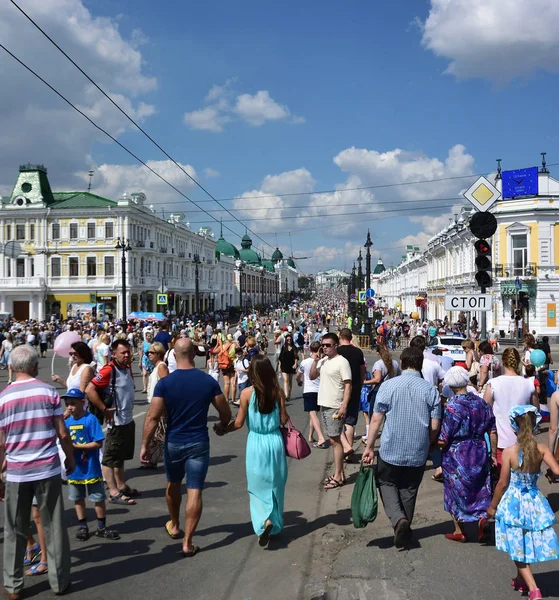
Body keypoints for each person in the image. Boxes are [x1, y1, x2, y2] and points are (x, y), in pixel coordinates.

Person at [140, 338, 231, 557]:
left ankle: (174, 523)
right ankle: (188, 542)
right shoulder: (207, 381)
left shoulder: (165, 383)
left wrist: (145, 445)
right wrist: (222, 426)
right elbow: (225, 412)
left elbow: (152, 417)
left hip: (173, 442)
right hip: (198, 441)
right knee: (195, 489)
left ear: (174, 355)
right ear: (193, 354)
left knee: (173, 483)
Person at [0, 345, 75, 598]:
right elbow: (62, 433)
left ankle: (12, 586)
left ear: (11, 367)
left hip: (17, 472)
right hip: (46, 468)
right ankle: (59, 581)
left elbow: (1, 443)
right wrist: (71, 460)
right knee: (54, 526)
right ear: (34, 367)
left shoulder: (4, 397)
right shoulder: (48, 392)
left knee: (14, 529)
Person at [362, 346, 441, 549]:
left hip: (391, 448)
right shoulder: (431, 390)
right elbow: (434, 426)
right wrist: (430, 443)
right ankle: (404, 525)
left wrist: (369, 446)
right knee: (409, 488)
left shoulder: (388, 387)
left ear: (403, 364)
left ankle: (399, 521)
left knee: (386, 483)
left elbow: (376, 419)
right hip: (418, 450)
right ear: (420, 365)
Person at [217, 355, 289, 547]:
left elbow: (239, 423)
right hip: (275, 441)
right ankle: (274, 522)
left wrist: (225, 429)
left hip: (256, 442)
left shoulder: (247, 394)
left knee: (257, 487)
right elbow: (283, 420)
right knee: (276, 484)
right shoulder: (277, 392)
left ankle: (264, 521)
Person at [488, 405, 559, 599]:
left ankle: (534, 589)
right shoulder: (542, 449)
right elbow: (557, 471)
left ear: (514, 426)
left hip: (514, 503)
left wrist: (492, 506)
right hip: (534, 501)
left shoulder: (511, 451)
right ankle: (521, 580)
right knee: (524, 540)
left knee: (515, 545)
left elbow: (502, 483)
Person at [437, 367, 496, 543]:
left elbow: (444, 438)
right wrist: (491, 453)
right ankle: (482, 518)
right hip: (479, 450)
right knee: (481, 488)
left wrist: (430, 444)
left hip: (457, 454)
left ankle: (459, 530)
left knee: (455, 490)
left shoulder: (452, 407)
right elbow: (492, 430)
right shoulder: (481, 404)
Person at [86, 339, 139, 506]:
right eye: (123, 352)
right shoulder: (109, 370)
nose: (126, 355)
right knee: (109, 458)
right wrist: (103, 409)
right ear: (114, 354)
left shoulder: (126, 367)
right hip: (116, 422)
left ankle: (121, 485)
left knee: (120, 456)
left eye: (128, 352)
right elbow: (89, 389)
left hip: (127, 420)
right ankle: (114, 492)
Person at [63, 388, 120, 541]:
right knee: (78, 498)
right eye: (67, 404)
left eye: (73, 404)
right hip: (75, 469)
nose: (69, 407)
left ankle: (101, 527)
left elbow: (97, 443)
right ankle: (83, 526)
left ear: (83, 402)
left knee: (97, 498)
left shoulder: (91, 419)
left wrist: (76, 447)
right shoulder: (66, 423)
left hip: (90, 467)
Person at [484, 348, 539, 468]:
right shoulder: (529, 384)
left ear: (503, 362)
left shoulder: (493, 384)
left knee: (501, 482)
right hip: (523, 442)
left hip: (500, 442)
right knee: (522, 482)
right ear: (519, 362)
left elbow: (484, 413)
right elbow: (536, 411)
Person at [310, 333, 352, 490]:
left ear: (336, 346)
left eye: (328, 345)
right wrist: (315, 360)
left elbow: (348, 385)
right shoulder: (323, 361)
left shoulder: (342, 362)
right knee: (334, 440)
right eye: (323, 345)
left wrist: (343, 406)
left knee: (335, 441)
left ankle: (338, 475)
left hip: (335, 405)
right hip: (325, 404)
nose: (325, 348)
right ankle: (339, 474)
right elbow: (312, 376)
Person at [337, 328, 365, 461]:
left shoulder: (337, 351)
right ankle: (350, 453)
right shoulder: (358, 352)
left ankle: (344, 448)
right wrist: (360, 383)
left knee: (337, 420)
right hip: (355, 388)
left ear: (340, 337)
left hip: (340, 389)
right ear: (350, 337)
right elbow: (362, 369)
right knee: (350, 420)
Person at [142, 342, 169, 469]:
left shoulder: (162, 367)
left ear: (158, 353)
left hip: (160, 405)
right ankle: (151, 459)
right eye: (148, 353)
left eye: (151, 353)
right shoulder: (156, 367)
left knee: (160, 433)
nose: (149, 355)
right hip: (155, 403)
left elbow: (166, 386)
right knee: (155, 433)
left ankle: (166, 458)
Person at [296, 341, 327, 448]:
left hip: (309, 390)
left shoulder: (305, 362)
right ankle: (310, 435)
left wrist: (299, 382)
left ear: (310, 350)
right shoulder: (323, 361)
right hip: (321, 390)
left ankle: (321, 438)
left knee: (313, 415)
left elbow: (298, 375)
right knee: (313, 415)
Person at [278, 334, 299, 402]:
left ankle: (289, 394)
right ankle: (286, 395)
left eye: (290, 339)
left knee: (290, 381)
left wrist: (295, 364)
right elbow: (280, 358)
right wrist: (279, 366)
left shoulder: (294, 347)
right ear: (286, 340)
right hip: (284, 365)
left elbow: (296, 357)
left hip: (291, 366)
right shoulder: (284, 347)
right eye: (287, 340)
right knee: (285, 380)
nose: (289, 341)